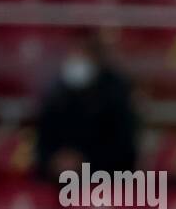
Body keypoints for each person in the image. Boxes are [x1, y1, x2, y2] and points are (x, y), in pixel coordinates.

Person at [35, 31, 138, 181]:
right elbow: (43, 140)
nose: (77, 58)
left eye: (82, 52)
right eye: (73, 52)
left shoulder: (116, 92)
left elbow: (124, 148)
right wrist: (54, 160)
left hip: (105, 180)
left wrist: (85, 163)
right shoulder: (55, 91)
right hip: (57, 180)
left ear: (96, 56)